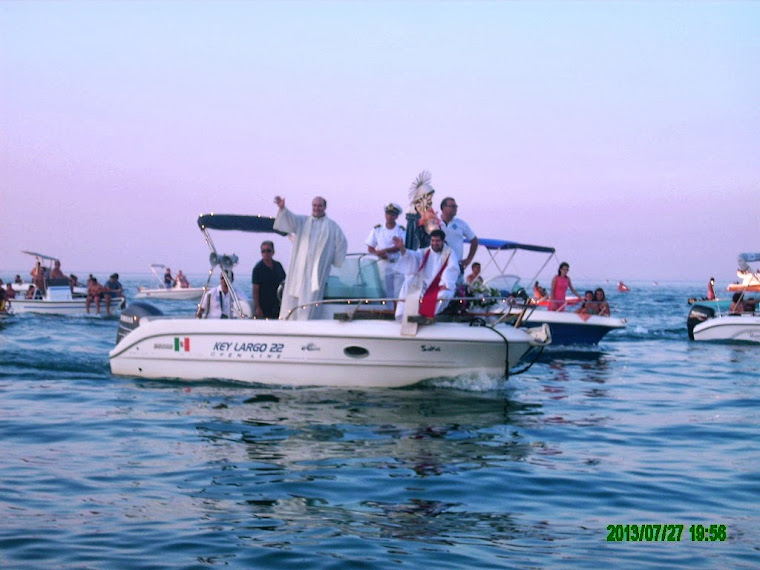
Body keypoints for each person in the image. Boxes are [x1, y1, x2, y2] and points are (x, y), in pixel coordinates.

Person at [273, 195, 348, 320]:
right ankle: (289, 322)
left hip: (316, 272)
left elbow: (341, 244)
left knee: (310, 299)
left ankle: (306, 323)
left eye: (319, 206)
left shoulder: (332, 226)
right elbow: (290, 220)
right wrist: (283, 208)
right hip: (299, 270)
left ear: (325, 207)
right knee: (293, 297)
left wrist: (334, 260)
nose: (316, 208)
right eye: (314, 205)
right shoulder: (303, 222)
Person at [392, 229, 460, 320]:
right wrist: (402, 248)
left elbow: (452, 269)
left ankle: (426, 316)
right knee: (408, 281)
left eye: (437, 241)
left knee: (444, 295)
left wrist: (447, 285)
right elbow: (412, 257)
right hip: (424, 286)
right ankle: (402, 314)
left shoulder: (449, 253)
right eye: (433, 241)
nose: (435, 243)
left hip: (440, 286)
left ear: (443, 241)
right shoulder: (425, 251)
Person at [365, 203, 406, 299]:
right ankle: (388, 313)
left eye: (392, 214)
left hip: (398, 263)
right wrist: (378, 254)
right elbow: (370, 247)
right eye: (388, 214)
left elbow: (399, 246)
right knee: (386, 293)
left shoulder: (401, 230)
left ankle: (397, 313)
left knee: (399, 293)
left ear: (396, 216)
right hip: (384, 264)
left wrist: (384, 250)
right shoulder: (377, 229)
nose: (389, 216)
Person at [439, 196, 478, 277]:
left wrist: (469, 259)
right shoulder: (434, 222)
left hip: (456, 264)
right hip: (438, 264)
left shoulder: (461, 224)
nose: (455, 208)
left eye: (455, 206)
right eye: (452, 206)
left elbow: (474, 240)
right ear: (443, 208)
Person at [252, 240, 287, 318]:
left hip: (278, 304)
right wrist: (257, 307)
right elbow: (255, 290)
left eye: (268, 251)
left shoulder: (278, 266)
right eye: (263, 251)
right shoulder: (258, 269)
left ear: (273, 252)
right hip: (264, 305)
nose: (266, 253)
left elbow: (285, 283)